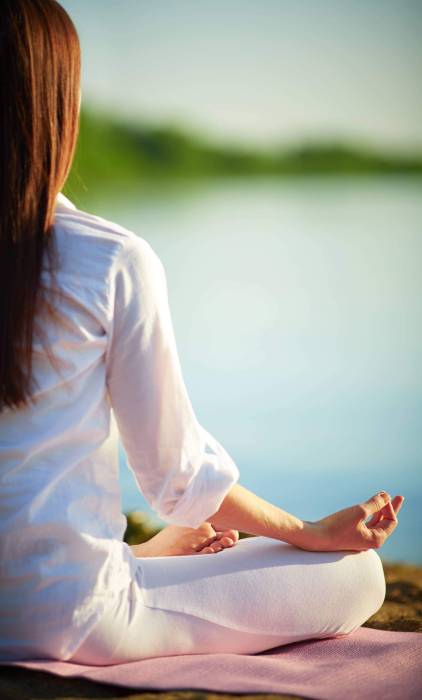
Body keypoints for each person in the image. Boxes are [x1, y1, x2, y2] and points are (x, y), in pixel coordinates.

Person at [0, 0, 404, 666]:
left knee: (173, 542)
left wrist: (143, 551)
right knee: (357, 574)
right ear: (57, 110)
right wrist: (307, 531)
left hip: (53, 593)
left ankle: (136, 558)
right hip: (68, 619)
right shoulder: (107, 260)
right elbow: (178, 480)